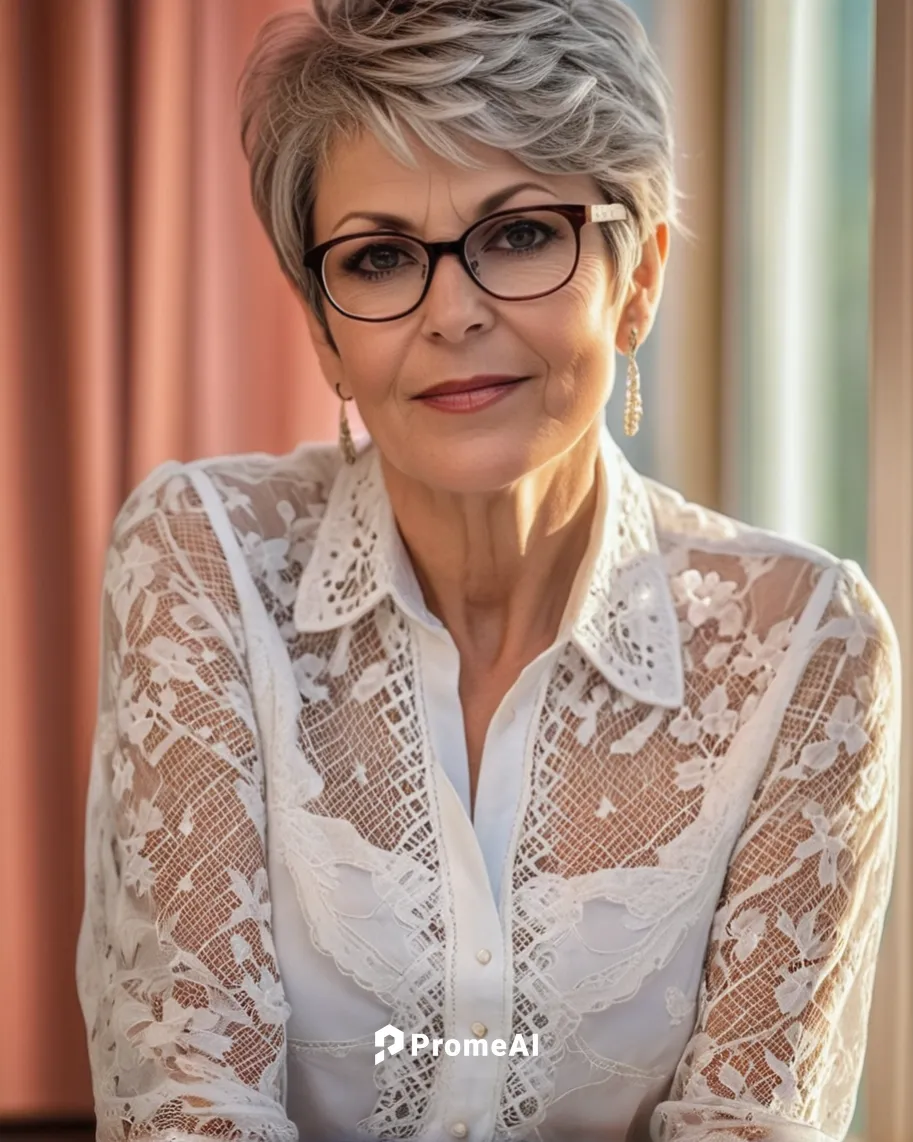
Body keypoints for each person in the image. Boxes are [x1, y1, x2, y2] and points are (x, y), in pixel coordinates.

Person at [75, 2, 902, 1140]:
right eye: (377, 258)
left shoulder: (810, 647)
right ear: (324, 332)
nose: (453, 312)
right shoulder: (201, 559)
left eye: (518, 234)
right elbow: (191, 1106)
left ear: (640, 273)